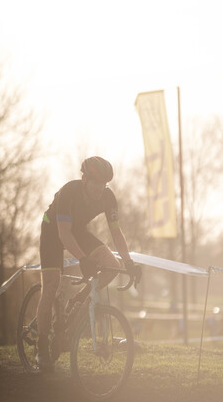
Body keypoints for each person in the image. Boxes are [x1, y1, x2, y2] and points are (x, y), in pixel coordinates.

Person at [36, 156, 140, 370]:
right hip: (52, 231)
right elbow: (63, 234)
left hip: (77, 231)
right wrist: (83, 259)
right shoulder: (69, 193)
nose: (100, 189)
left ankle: (76, 300)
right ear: (84, 179)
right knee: (52, 284)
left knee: (112, 265)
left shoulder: (108, 198)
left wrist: (128, 262)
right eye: (96, 184)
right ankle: (41, 344)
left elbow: (116, 232)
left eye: (104, 184)